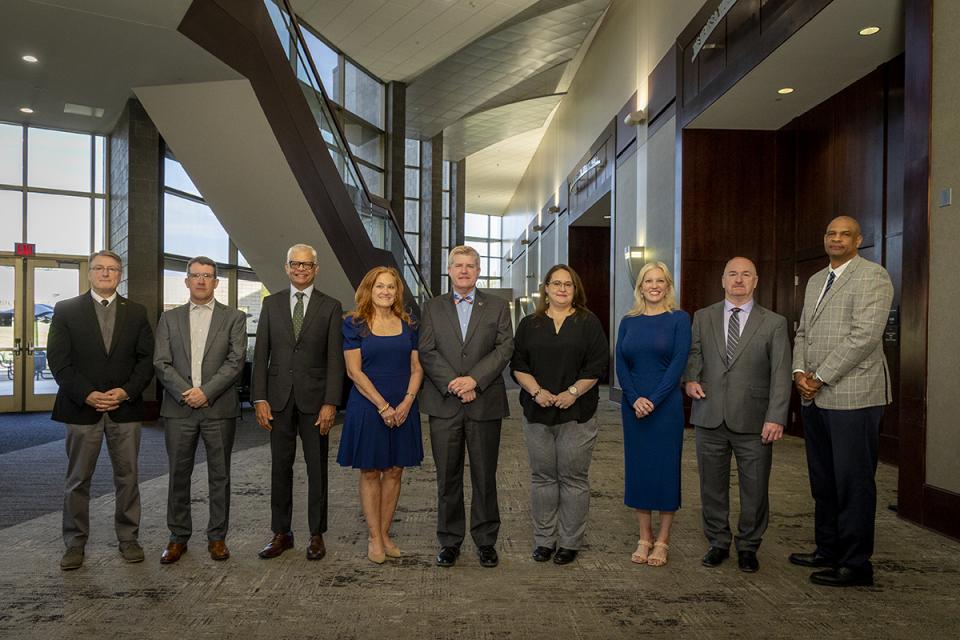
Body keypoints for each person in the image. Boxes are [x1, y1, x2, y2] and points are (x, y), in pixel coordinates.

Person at [790, 216, 893, 587]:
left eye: (844, 234)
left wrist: (819, 377)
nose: (836, 239)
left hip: (855, 395)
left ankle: (855, 564)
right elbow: (803, 332)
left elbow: (864, 336)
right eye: (831, 233)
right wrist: (799, 373)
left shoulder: (873, 276)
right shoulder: (817, 279)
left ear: (858, 240)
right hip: (814, 397)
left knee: (853, 482)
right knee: (823, 480)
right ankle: (828, 549)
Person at [47, 250, 155, 570]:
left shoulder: (137, 312)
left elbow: (146, 360)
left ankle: (129, 538)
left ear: (120, 274)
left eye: (112, 269)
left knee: (128, 477)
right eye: (99, 268)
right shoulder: (66, 310)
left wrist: (125, 391)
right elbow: (59, 361)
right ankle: (75, 542)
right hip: (81, 408)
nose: (106, 273)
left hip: (125, 408)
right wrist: (88, 394)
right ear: (90, 273)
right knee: (78, 479)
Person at [684, 257, 791, 573]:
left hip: (755, 420)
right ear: (723, 280)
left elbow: (781, 373)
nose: (739, 280)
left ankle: (748, 546)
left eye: (746, 274)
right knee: (711, 486)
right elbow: (694, 355)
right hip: (709, 415)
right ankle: (718, 542)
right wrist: (690, 379)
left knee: (755, 488)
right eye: (733, 274)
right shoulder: (703, 317)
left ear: (756, 281)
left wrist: (776, 416)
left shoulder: (774, 323)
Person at [419, 245, 513, 568]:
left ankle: (486, 541)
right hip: (444, 403)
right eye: (457, 265)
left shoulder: (497, 306)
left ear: (478, 271)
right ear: (449, 270)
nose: (463, 270)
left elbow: (504, 348)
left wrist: (474, 380)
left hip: (484, 403)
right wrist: (455, 384)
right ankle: (449, 541)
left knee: (485, 476)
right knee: (447, 477)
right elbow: (427, 350)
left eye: (469, 265)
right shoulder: (432, 307)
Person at [252, 244, 345, 561]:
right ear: (286, 267)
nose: (300, 269)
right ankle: (282, 533)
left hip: (316, 402)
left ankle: (317, 534)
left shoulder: (331, 306)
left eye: (307, 264)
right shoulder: (271, 304)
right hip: (277, 400)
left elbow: (335, 360)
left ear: (316, 269)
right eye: (295, 263)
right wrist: (259, 398)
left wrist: (331, 402)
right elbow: (260, 354)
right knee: (280, 468)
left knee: (317, 469)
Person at [510, 264, 607, 565]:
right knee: (542, 478)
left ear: (575, 290)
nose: (562, 289)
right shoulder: (530, 324)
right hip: (537, 412)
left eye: (568, 284)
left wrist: (572, 393)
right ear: (546, 289)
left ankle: (569, 542)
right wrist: (536, 392)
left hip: (577, 413)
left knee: (573, 478)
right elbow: (518, 364)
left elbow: (597, 365)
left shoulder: (588, 322)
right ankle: (544, 540)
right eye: (556, 283)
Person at [153, 256, 247, 564]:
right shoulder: (169, 318)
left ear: (216, 282)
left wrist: (206, 392)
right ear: (187, 281)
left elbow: (236, 361)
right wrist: (187, 393)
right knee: (178, 475)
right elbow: (161, 362)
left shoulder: (234, 317)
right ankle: (177, 537)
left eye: (207, 276)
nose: (201, 280)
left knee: (220, 476)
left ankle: (217, 537)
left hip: (218, 408)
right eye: (196, 275)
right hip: (178, 409)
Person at [337, 267, 424, 564]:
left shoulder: (409, 324)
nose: (386, 291)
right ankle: (374, 537)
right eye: (379, 286)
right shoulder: (354, 324)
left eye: (391, 287)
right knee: (371, 471)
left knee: (396, 470)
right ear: (369, 290)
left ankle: (386, 534)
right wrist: (383, 406)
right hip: (368, 405)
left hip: (404, 405)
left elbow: (417, 368)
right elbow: (354, 372)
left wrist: (407, 402)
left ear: (397, 292)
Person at [615, 261, 690, 568]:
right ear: (640, 286)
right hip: (633, 408)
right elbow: (620, 364)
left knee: (665, 470)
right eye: (649, 280)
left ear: (668, 286)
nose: (655, 286)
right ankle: (644, 537)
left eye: (661, 281)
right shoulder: (628, 321)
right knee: (639, 470)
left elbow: (678, 364)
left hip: (666, 407)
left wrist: (653, 400)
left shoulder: (679, 319)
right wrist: (634, 399)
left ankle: (663, 540)